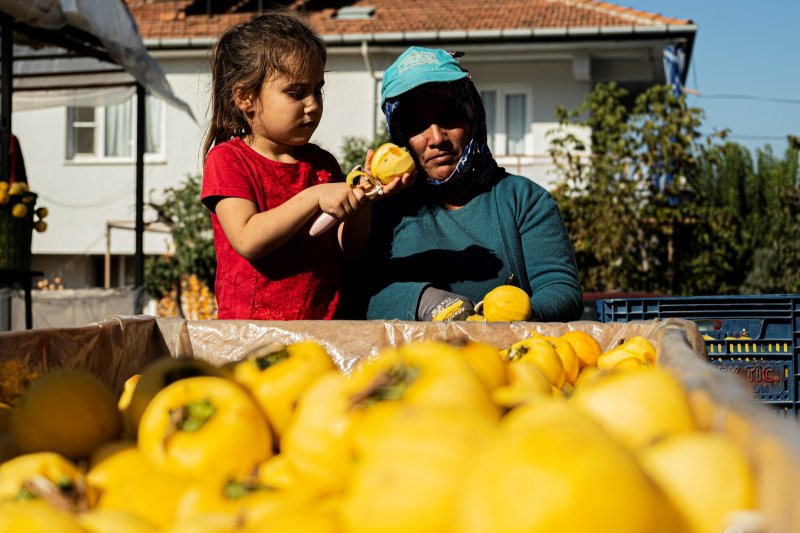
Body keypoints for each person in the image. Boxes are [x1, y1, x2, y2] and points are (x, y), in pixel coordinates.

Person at [200, 11, 410, 320]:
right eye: (296, 93)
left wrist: (361, 200)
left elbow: (348, 251)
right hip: (253, 335)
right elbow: (247, 239)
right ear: (245, 98)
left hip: (324, 330)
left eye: (317, 90)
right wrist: (313, 196)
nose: (312, 104)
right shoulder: (228, 160)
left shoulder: (322, 164)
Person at [352, 46, 583, 322]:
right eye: (418, 126)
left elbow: (560, 289)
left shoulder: (524, 200)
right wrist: (423, 301)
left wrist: (517, 318)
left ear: (473, 116)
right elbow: (354, 292)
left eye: (449, 119)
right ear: (401, 136)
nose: (436, 138)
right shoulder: (384, 208)